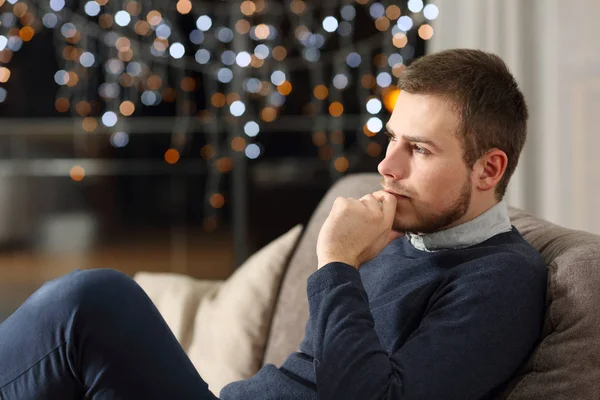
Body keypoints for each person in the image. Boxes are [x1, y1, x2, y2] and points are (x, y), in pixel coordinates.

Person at [0, 48, 546, 400]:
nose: (387, 166)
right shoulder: (404, 232)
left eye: (419, 150)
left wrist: (337, 262)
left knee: (94, 302)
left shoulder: (501, 278)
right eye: (392, 139)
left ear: (488, 169)